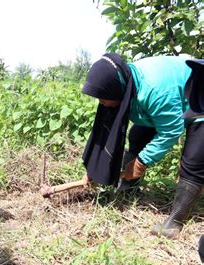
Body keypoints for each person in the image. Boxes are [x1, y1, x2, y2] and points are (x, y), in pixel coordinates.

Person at [80, 53, 203, 239]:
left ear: (115, 90)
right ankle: (128, 189)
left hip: (199, 98)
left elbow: (171, 130)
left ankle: (175, 222)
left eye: (103, 98)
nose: (101, 102)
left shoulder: (154, 91)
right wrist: (95, 168)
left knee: (194, 159)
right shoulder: (125, 82)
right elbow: (108, 131)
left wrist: (140, 163)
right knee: (137, 135)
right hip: (169, 98)